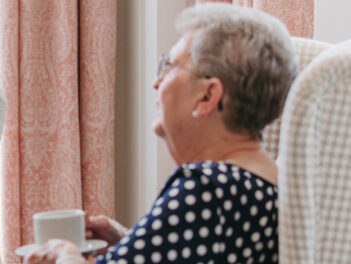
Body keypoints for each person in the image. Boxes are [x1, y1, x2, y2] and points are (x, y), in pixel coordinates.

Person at [25, 3, 297, 264]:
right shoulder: (266, 181)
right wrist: (131, 240)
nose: (156, 82)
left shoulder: (206, 187)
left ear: (207, 95)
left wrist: (65, 254)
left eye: (170, 66)